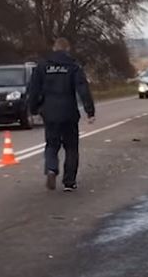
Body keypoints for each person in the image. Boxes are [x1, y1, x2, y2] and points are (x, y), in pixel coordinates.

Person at [27, 37, 95, 192]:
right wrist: (89, 111)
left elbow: (33, 90)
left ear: (54, 48)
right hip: (69, 112)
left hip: (49, 112)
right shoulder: (73, 66)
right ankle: (69, 182)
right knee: (71, 147)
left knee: (51, 144)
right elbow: (83, 89)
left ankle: (51, 169)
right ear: (67, 49)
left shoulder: (42, 66)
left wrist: (33, 109)